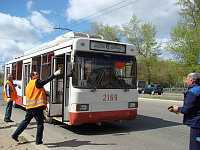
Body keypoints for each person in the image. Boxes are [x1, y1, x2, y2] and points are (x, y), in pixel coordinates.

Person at [12, 69, 61, 145]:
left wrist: (46, 94)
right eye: (36, 74)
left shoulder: (29, 84)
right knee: (40, 123)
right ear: (32, 76)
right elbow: (45, 81)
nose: (38, 75)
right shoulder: (37, 82)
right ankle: (38, 140)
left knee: (25, 121)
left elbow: (36, 92)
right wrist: (54, 75)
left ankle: (15, 135)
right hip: (36, 106)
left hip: (29, 107)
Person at [168, 73, 200, 150]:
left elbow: (187, 109)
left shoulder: (192, 93)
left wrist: (177, 109)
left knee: (196, 145)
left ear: (192, 81)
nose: (186, 81)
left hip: (197, 124)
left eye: (187, 80)